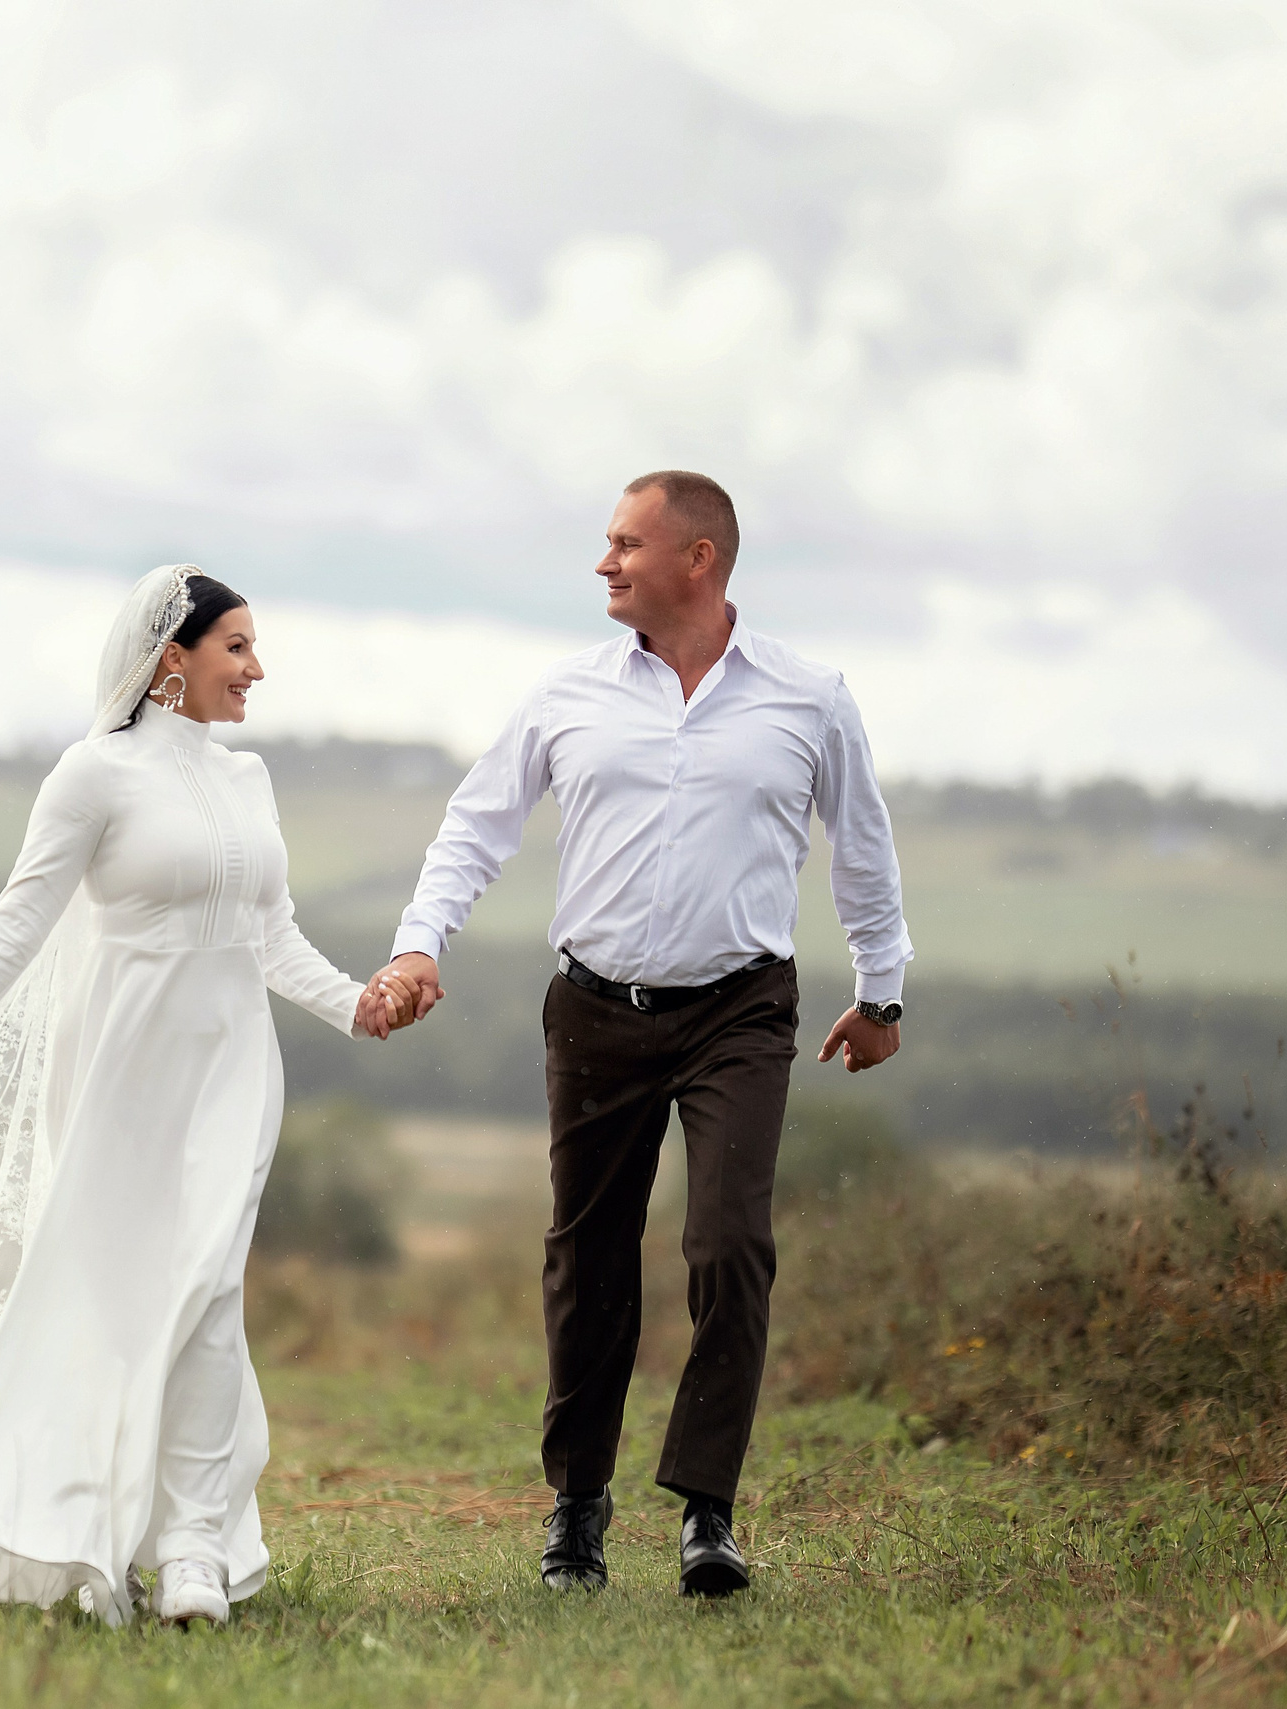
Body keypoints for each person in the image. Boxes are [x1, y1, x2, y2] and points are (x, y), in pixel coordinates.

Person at [0, 565, 419, 1628]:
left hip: (232, 1065)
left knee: (205, 1289)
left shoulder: (248, 780)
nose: (257, 668)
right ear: (174, 659)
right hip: (120, 1061)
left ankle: (195, 1546)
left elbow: (267, 932)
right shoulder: (92, 775)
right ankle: (75, 1519)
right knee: (109, 1294)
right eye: (236, 647)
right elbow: (16, 923)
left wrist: (357, 1006)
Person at [372, 471, 912, 1598]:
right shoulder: (566, 692)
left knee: (728, 1242)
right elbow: (476, 824)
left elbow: (861, 848)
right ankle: (578, 1506)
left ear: (698, 557)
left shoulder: (809, 697)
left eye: (626, 543)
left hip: (739, 1008)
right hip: (594, 1010)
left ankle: (707, 1511)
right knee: (588, 1255)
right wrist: (422, 942)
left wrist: (883, 992)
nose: (606, 562)